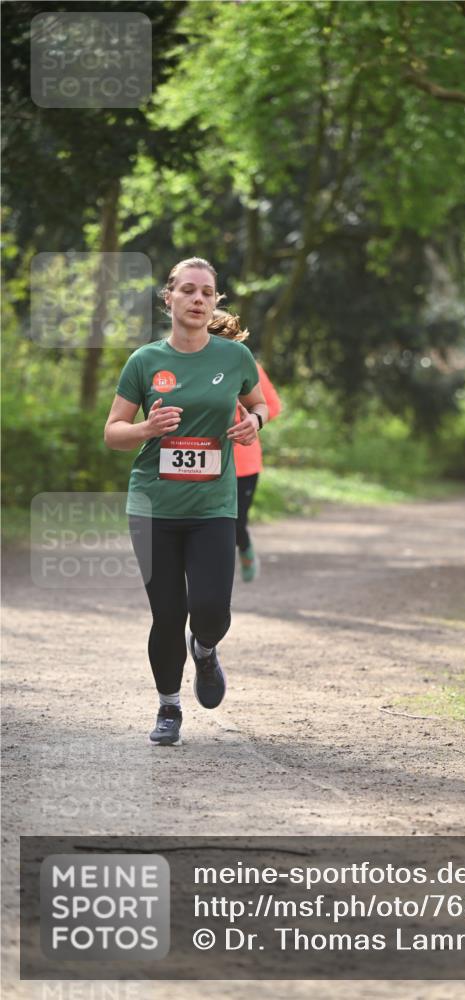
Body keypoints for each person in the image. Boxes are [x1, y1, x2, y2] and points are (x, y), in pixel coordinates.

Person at [104, 257, 268, 747]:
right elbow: (112, 433)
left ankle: (207, 646)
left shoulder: (235, 358)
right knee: (167, 613)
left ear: (215, 301)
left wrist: (253, 423)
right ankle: (169, 707)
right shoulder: (144, 361)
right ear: (169, 298)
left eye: (208, 292)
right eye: (189, 291)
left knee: (212, 607)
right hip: (153, 505)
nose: (199, 300)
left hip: (213, 505)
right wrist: (146, 429)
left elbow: (259, 404)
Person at [209, 310, 282, 581]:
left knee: (236, 523)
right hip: (206, 460)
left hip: (243, 462)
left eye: (226, 338)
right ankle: (213, 579)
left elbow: (271, 407)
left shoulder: (247, 365)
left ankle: (245, 545)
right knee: (210, 525)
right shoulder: (190, 365)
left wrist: (251, 420)